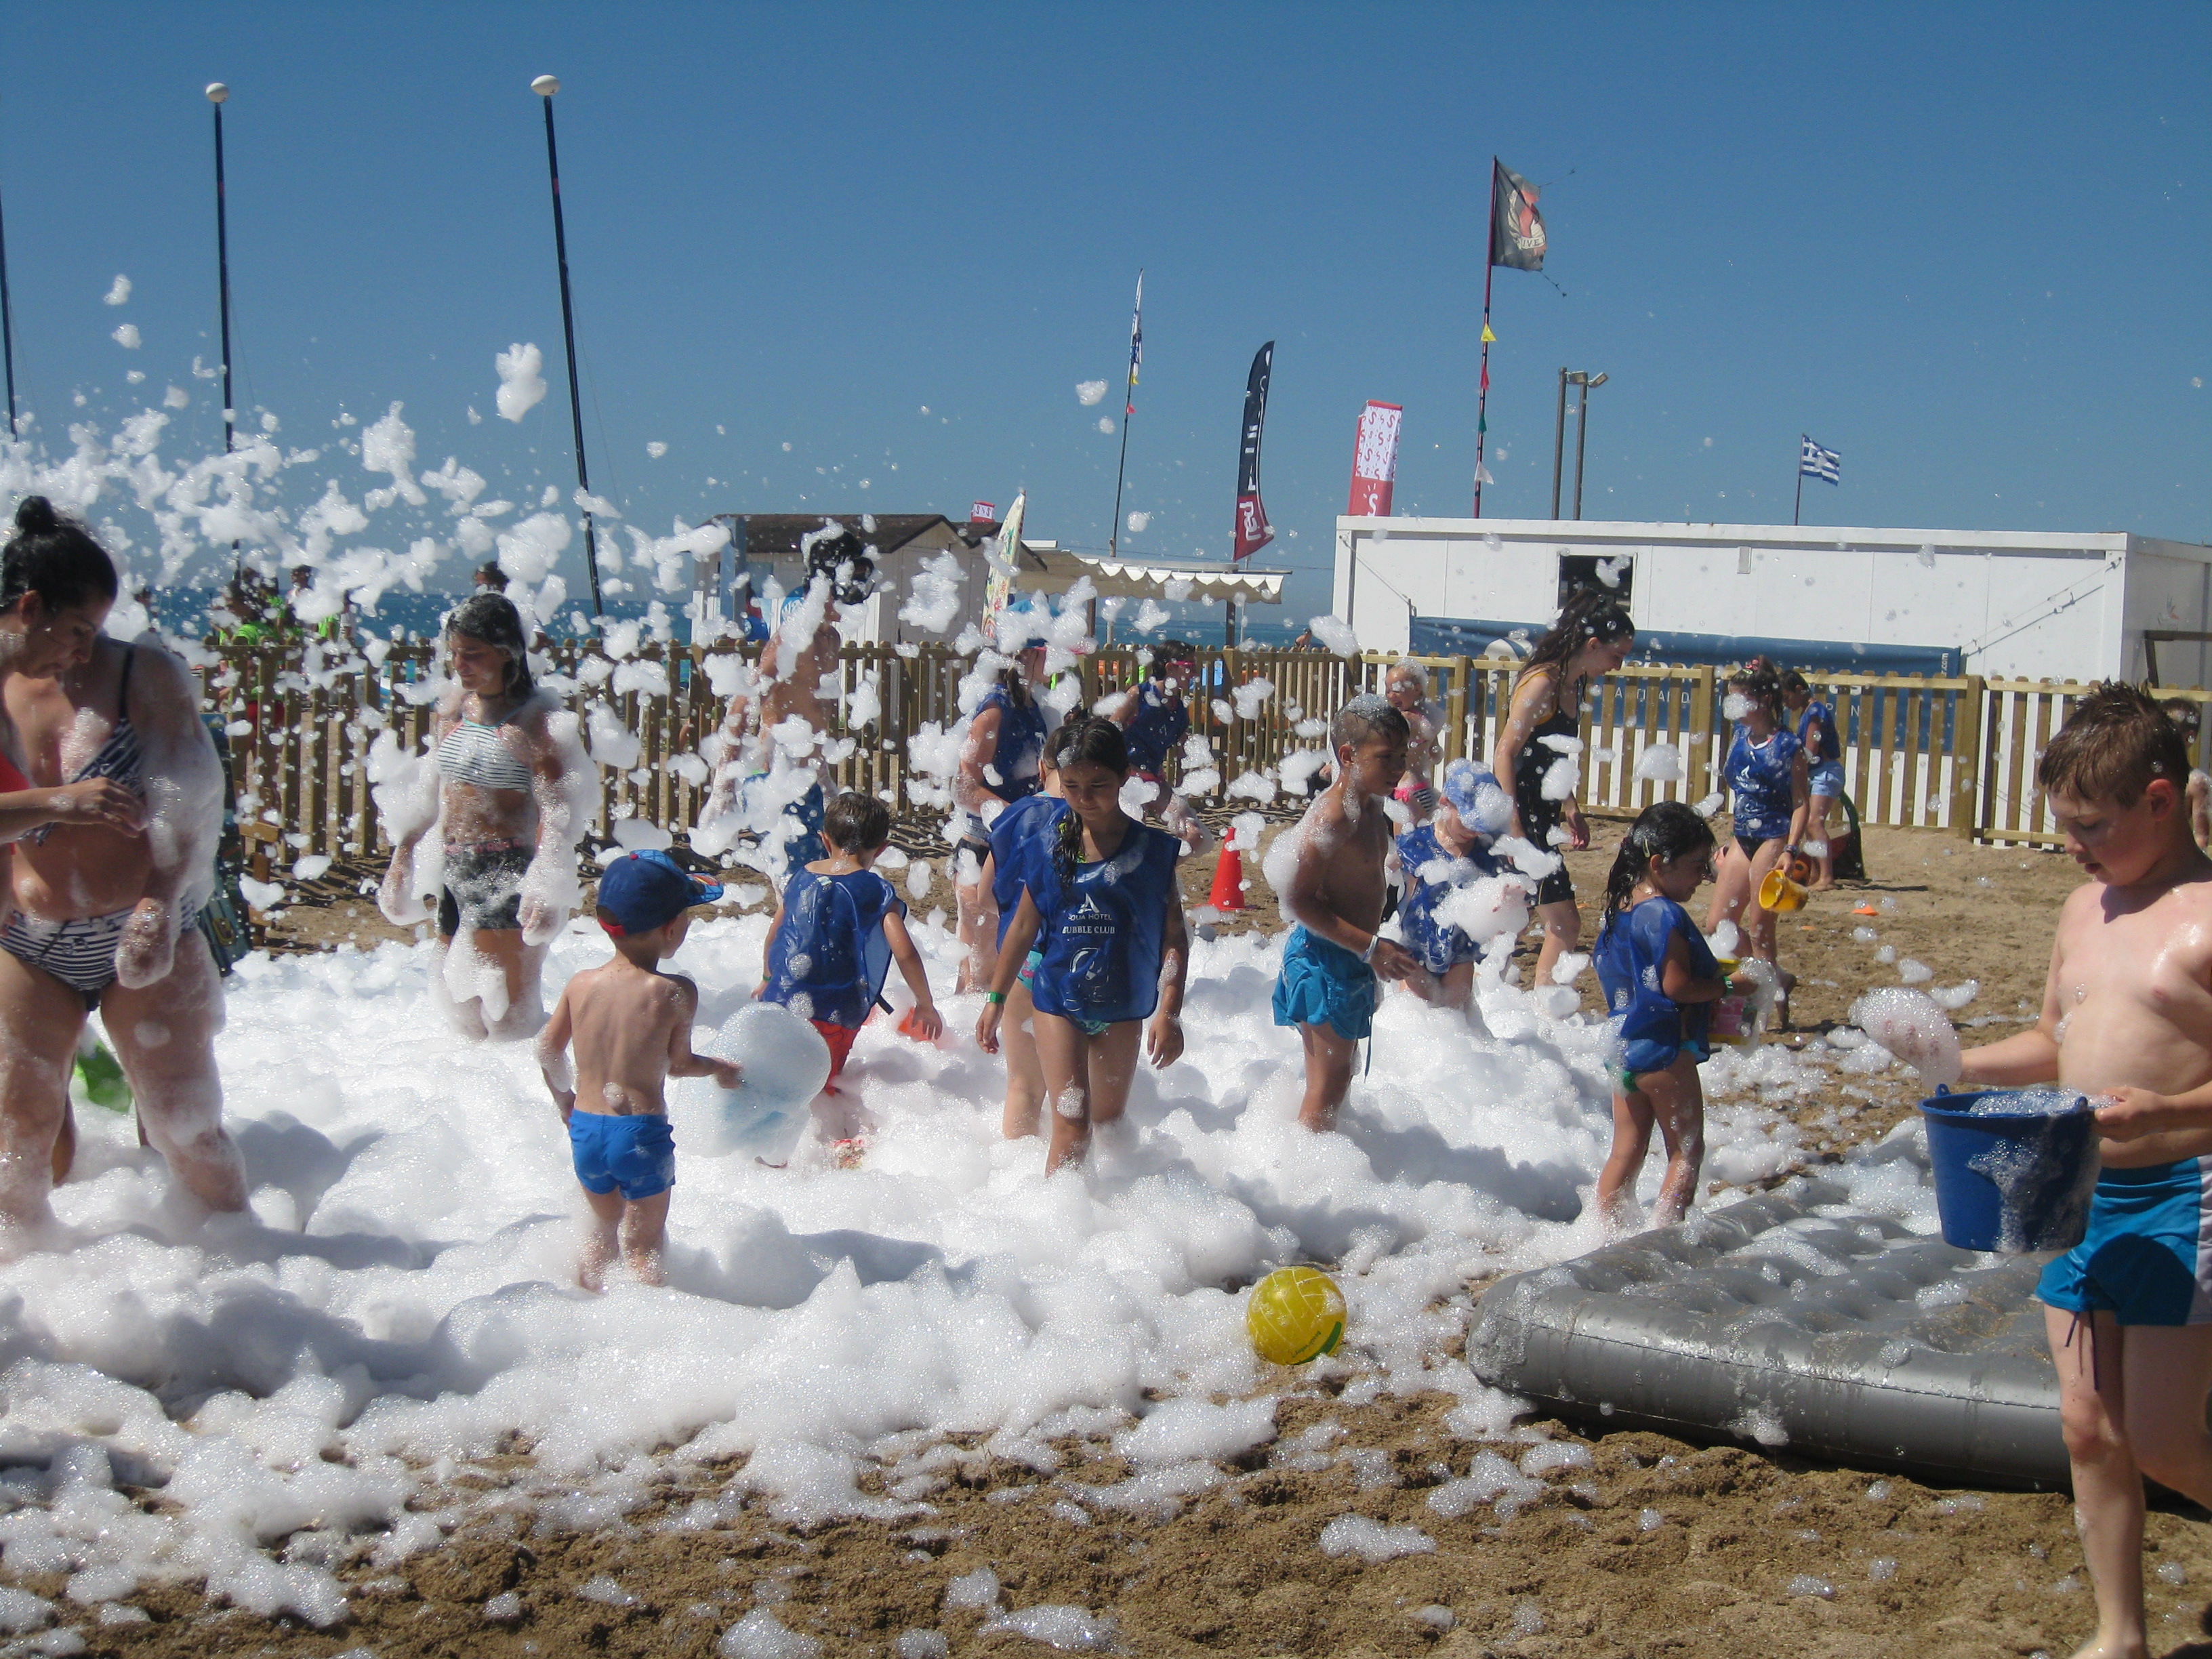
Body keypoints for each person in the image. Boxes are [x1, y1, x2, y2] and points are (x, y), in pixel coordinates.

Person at [1902, 686, 2212, 1659]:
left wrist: (2169, 1112)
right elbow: (2053, 1038)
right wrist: (1950, 1066)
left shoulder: (2207, 919)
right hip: (2074, 1190)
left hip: (2184, 1193)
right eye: (2063, 827)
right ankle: (2119, 1634)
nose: (2073, 847)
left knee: (2162, 1439)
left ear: (2162, 802)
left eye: (2091, 826)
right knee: (2087, 1428)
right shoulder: (2084, 907)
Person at [0, 496, 247, 1233]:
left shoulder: (143, 674)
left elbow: (194, 805)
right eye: (77, 629)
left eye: (96, 632)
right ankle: (34, 1306)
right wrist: (61, 802)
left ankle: (249, 1274)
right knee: (15, 1138)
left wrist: (160, 904)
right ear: (31, 607)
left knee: (184, 1126)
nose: (83, 649)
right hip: (25, 941)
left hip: (135, 930)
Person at [976, 717, 1188, 1173]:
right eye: (1071, 786)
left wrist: (1169, 1011)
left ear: (1126, 777)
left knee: (1109, 1125)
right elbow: (1021, 929)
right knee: (1072, 1125)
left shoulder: (1150, 853)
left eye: (1099, 785)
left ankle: (1105, 1223)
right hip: (1057, 1000)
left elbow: (1174, 936)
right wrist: (995, 998)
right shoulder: (1048, 847)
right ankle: (1058, 1229)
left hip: (1122, 1005)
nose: (1085, 798)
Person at [379, 592, 588, 1040]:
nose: (460, 664)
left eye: (473, 654)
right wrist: (402, 858)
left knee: (509, 1019)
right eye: (454, 653)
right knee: (463, 1018)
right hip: (454, 867)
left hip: (506, 872)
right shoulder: (454, 708)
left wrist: (548, 885)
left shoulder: (536, 722)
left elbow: (558, 812)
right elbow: (430, 790)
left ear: (507, 651)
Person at [537, 850, 736, 1291]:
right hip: (640, 1137)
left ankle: (583, 1312)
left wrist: (564, 1100)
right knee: (644, 1250)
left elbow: (548, 1049)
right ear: (670, 930)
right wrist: (721, 1068)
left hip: (587, 1131)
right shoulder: (674, 993)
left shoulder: (580, 984)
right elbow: (681, 1066)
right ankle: (649, 1332)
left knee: (600, 1240)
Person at [1591, 800, 1751, 1231]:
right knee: (1686, 1150)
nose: (1704, 877)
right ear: (1660, 863)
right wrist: (1732, 985)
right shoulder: (1663, 913)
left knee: (1626, 1150)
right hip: (1663, 1049)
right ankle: (1665, 1237)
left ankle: (1602, 1233)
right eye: (1698, 865)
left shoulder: (1619, 907)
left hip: (1621, 1049)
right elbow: (1676, 986)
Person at [1271, 694, 1420, 1131]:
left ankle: (1322, 1166)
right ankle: (1302, 1182)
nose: (1397, 767)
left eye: (1403, 756)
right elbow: (1296, 899)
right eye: (1385, 757)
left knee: (1342, 1073)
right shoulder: (1335, 815)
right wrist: (1370, 946)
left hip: (1349, 958)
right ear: (1349, 756)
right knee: (1329, 1083)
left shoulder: (1372, 807)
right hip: (1322, 959)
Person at [1490, 591, 1635, 991]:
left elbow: (1553, 757)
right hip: (1521, 819)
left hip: (1542, 818)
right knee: (1555, 924)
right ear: (1593, 645)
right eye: (1616, 655)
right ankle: (1534, 1004)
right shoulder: (1542, 683)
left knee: (1517, 923)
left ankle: (1518, 1003)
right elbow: (1504, 753)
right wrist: (1512, 825)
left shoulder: (1575, 682)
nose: (1619, 665)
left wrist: (1571, 807)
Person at [758, 789, 941, 1086]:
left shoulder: (799, 878)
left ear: (825, 839)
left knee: (780, 1079)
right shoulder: (876, 891)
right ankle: (830, 1130)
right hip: (835, 1010)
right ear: (882, 849)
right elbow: (905, 952)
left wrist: (768, 979)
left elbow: (775, 933)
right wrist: (925, 1003)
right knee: (823, 1082)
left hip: (782, 1000)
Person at [1704, 659, 1809, 1017]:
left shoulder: (1788, 745)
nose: (1732, 708)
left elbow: (1800, 803)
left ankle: (1765, 1009)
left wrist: (1791, 850)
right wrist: (1730, 840)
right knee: (1719, 924)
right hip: (1743, 837)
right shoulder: (1738, 737)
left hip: (1775, 837)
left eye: (1739, 700)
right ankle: (1776, 978)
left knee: (1760, 929)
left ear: (1763, 701)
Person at [978, 734, 1067, 1141]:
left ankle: (1015, 1190)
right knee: (1079, 1095)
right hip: (1078, 962)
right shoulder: (1097, 819)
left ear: (1043, 768)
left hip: (1023, 962)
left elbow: (984, 895)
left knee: (1024, 1089)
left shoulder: (1015, 816)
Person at [952, 642, 1049, 992]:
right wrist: (1018, 817)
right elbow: (963, 787)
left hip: (1015, 846)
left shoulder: (1032, 704)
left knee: (1008, 971)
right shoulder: (995, 709)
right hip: (982, 850)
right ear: (1026, 654)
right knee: (982, 976)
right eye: (1048, 649)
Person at [1391, 758, 1505, 1011]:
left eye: (1479, 827)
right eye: (1467, 822)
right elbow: (1387, 876)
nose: (1472, 832)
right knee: (1412, 1018)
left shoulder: (1486, 855)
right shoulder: (1417, 843)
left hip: (1461, 951)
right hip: (1415, 947)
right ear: (1445, 802)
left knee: (1455, 1022)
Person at [1112, 647, 1205, 847]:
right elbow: (1108, 733)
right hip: (1125, 780)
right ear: (1171, 668)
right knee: (1132, 839)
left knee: (1195, 837)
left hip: (1154, 780)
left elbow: (1183, 754)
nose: (1196, 674)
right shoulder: (1139, 695)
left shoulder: (1178, 709)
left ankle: (1159, 874)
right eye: (1190, 667)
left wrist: (1183, 791)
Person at [1782, 670, 1843, 890]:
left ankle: (1827, 877)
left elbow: (1811, 750)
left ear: (1799, 690)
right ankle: (1816, 875)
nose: (1786, 704)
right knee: (1809, 825)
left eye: (1787, 697)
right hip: (1818, 773)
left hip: (1825, 772)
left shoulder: (1816, 712)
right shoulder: (1809, 711)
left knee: (1814, 822)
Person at [1384, 659, 1443, 819]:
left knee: (1402, 844)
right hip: (1424, 789)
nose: (1391, 695)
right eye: (1388, 690)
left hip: (1406, 793)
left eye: (1397, 689)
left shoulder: (1406, 719)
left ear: (1416, 689)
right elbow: (1436, 754)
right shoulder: (1428, 718)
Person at [2158, 697, 2210, 853]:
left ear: (2189, 737)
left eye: (2168, 734)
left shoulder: (2196, 783)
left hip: (2173, 860)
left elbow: (2201, 838)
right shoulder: (2144, 775)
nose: (2159, 739)